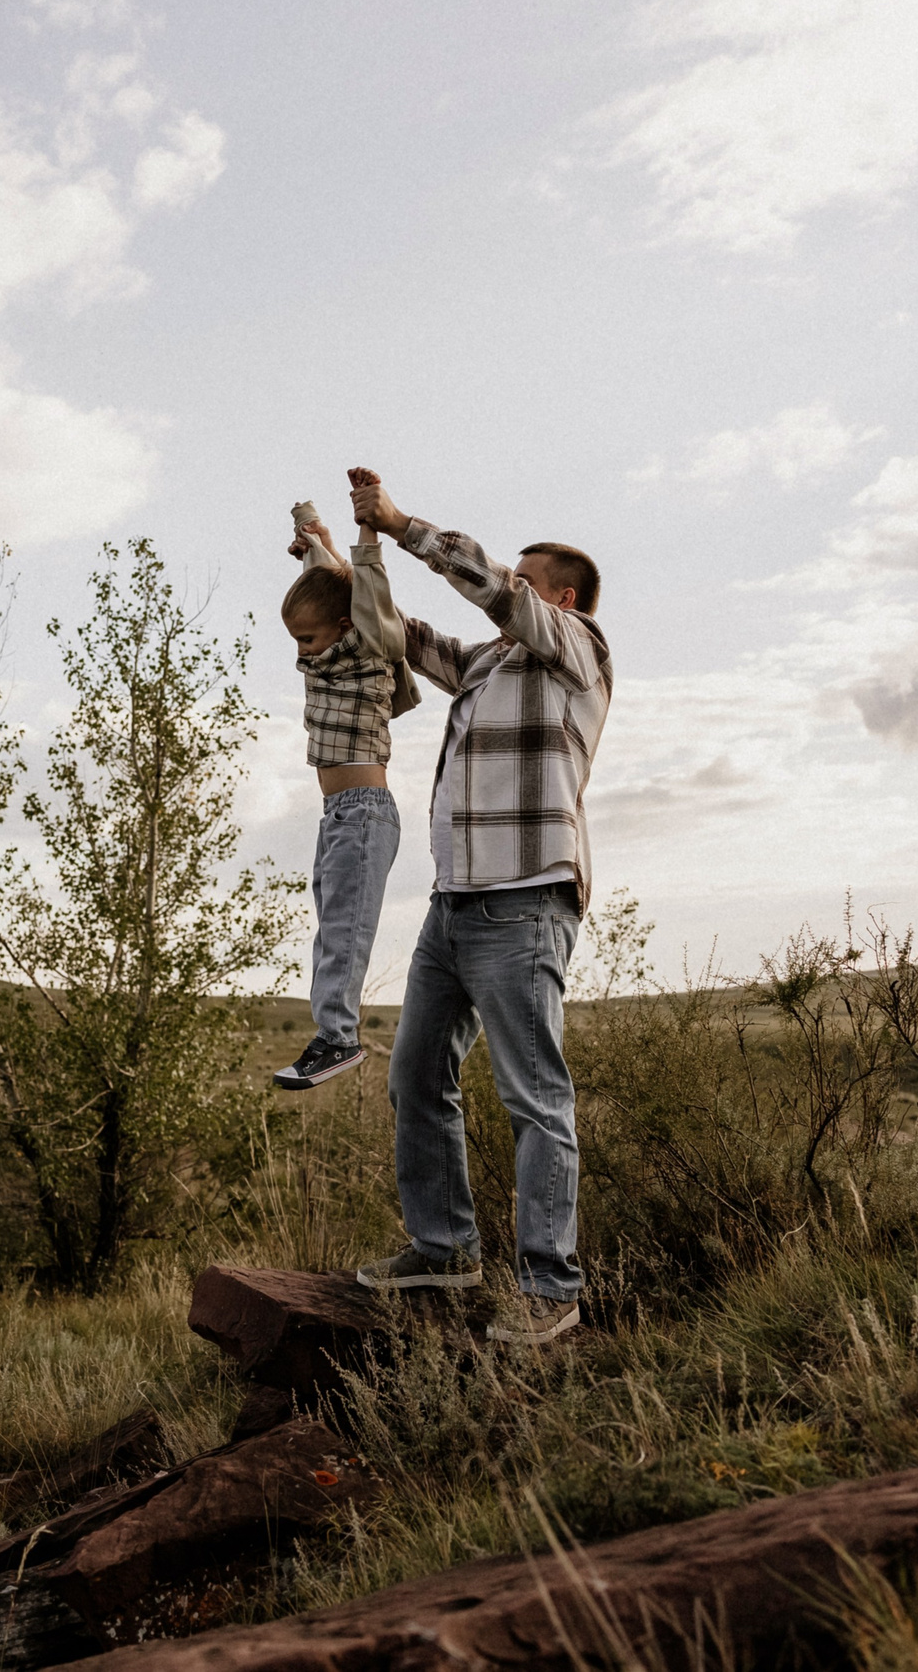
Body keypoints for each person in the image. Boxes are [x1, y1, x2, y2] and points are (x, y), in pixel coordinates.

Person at [344, 465, 610, 1345]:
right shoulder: (488, 666)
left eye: (525, 580)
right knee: (416, 1073)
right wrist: (348, 561)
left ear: (561, 596)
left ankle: (550, 1288)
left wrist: (405, 522)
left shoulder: (577, 650)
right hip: (451, 909)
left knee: (536, 1099)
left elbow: (493, 590)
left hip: (524, 904)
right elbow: (401, 637)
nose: (509, 589)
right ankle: (445, 1248)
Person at [273, 500, 420, 1090]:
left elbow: (366, 591)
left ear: (342, 629)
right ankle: (332, 1033)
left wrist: (365, 532)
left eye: (307, 639)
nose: (301, 651)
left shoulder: (365, 650)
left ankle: (338, 1039)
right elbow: (329, 585)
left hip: (363, 815)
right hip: (340, 815)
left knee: (343, 931)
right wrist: (314, 536)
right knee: (330, 922)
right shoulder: (330, 647)